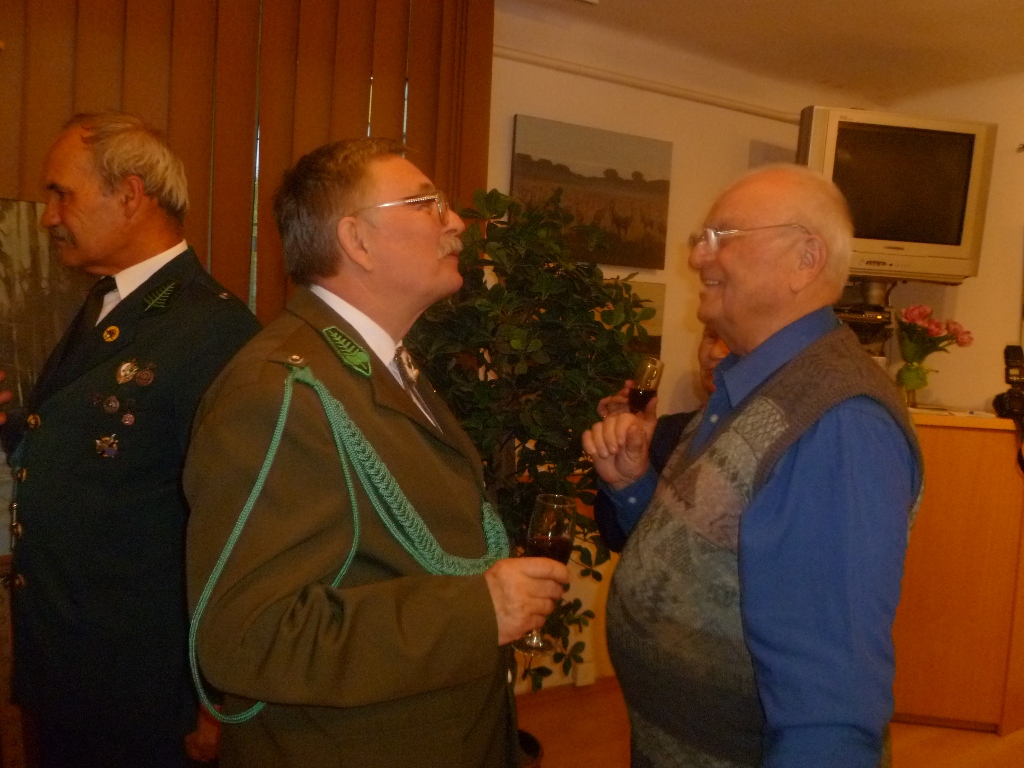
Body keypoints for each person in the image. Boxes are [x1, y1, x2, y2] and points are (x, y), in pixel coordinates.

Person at [184, 138, 570, 768]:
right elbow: (246, 636)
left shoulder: (377, 365)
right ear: (357, 241)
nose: (455, 222)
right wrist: (477, 611)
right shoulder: (278, 391)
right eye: (426, 204)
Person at [583, 165, 923, 768]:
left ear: (805, 260)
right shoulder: (751, 384)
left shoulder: (837, 422)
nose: (697, 257)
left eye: (723, 236)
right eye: (702, 238)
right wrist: (633, 488)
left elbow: (829, 702)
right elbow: (701, 560)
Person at [4, 112, 261, 768]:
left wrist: (214, 697)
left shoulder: (212, 331)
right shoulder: (107, 301)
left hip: (144, 689)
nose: (49, 216)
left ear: (129, 195)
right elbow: (93, 461)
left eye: (63, 195)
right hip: (70, 664)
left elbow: (236, 524)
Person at [592, 325, 728, 552]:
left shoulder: (762, 439)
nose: (714, 352)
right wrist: (624, 447)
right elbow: (615, 537)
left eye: (728, 338)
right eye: (711, 337)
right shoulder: (668, 430)